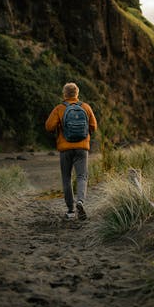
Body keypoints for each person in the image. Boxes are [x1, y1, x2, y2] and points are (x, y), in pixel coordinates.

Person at [45, 82, 97, 220]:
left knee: (66, 178)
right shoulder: (86, 107)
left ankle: (70, 210)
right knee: (82, 177)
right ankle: (80, 201)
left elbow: (49, 127)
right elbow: (94, 126)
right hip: (82, 148)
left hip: (65, 148)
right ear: (77, 94)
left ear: (64, 94)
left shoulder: (59, 108)